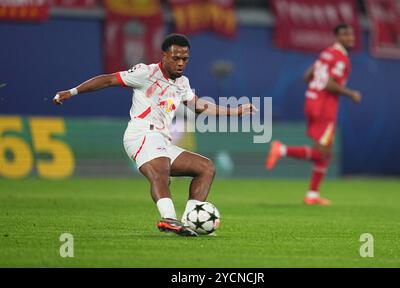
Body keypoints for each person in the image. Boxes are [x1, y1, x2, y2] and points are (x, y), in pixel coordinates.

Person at [53, 33, 256, 236]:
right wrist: (72, 92)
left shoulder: (182, 82)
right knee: (161, 171)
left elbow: (199, 106)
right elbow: (107, 80)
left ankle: (189, 220)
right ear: (164, 56)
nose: (180, 63)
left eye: (185, 59)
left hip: (161, 139)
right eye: (175, 58)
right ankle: (169, 219)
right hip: (141, 134)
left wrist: (235, 111)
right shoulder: (145, 73)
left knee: (206, 168)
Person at [265, 24, 362, 205]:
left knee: (324, 152)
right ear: (337, 37)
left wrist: (317, 87)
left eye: (351, 34)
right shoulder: (341, 59)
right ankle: (282, 149)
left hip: (312, 100)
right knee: (323, 153)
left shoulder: (326, 53)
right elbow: (330, 85)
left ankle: (312, 195)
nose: (350, 37)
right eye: (345, 35)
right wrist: (352, 94)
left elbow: (307, 76)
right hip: (324, 106)